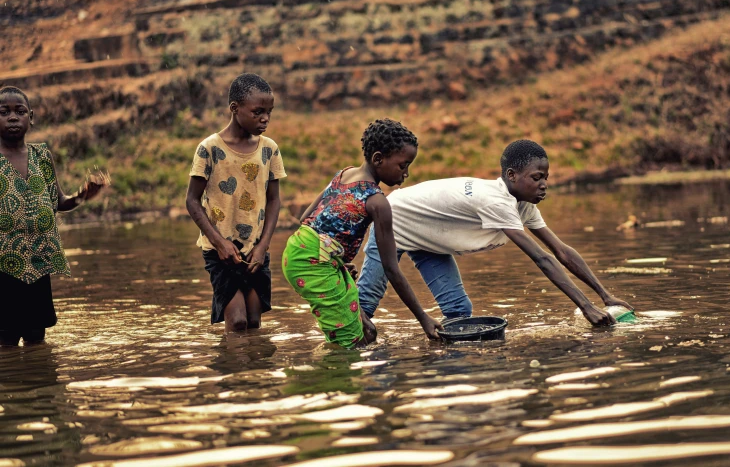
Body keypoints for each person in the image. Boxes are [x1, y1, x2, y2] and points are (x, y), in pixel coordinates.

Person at [357, 139, 635, 326]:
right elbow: (542, 258)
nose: (543, 185)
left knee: (458, 313)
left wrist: (605, 296)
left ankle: (446, 373)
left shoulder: (521, 205)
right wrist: (586, 307)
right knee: (364, 306)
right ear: (512, 176)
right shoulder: (497, 201)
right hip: (395, 221)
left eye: (545, 179)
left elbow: (561, 251)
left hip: (432, 237)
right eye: (536, 178)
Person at [282, 118, 443, 349]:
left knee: (367, 331)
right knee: (350, 343)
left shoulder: (343, 174)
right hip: (312, 262)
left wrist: (333, 259)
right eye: (402, 165)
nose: (406, 173)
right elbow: (390, 268)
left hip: (301, 250)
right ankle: (327, 379)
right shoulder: (377, 202)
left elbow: (306, 218)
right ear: (378, 159)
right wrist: (423, 318)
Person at [0, 86, 105, 347]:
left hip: (38, 262)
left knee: (37, 335)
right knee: (6, 338)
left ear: (31, 117)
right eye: (4, 112)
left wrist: (82, 195)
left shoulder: (41, 156)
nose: (13, 117)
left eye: (20, 111)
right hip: (2, 266)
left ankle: (41, 383)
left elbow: (58, 201)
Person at [186, 73, 286, 332]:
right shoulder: (209, 148)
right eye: (257, 112)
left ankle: (252, 372)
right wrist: (220, 243)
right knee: (238, 321)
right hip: (219, 250)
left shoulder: (269, 149)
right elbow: (192, 201)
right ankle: (233, 372)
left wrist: (263, 246)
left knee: (253, 322)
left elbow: (274, 200)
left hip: (255, 250)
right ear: (234, 108)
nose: (265, 118)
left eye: (270, 112)